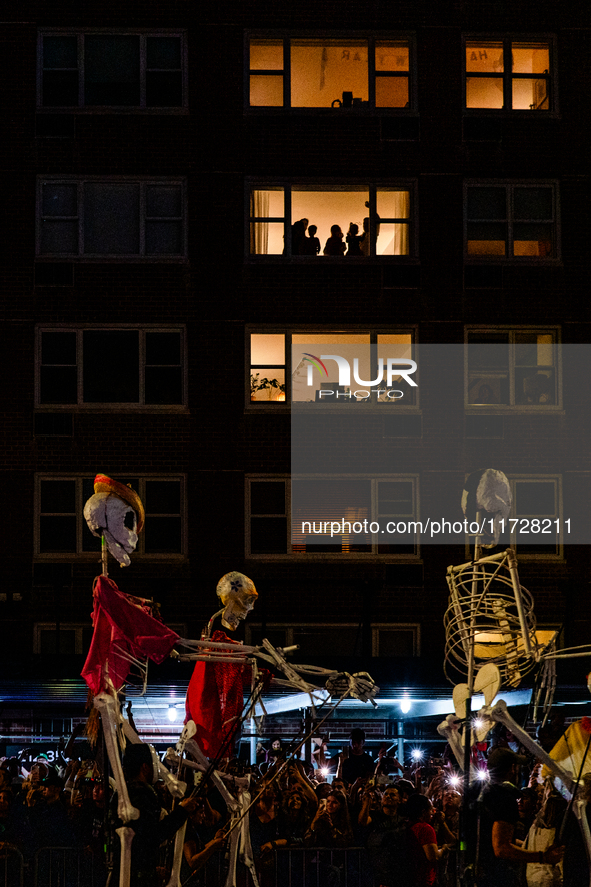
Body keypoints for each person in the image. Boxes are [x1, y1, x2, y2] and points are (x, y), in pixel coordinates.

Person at [111, 743, 197, 887]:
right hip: (137, 877)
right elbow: (153, 834)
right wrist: (182, 811)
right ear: (145, 767)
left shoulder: (119, 793)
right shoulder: (142, 794)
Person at [476, 747, 563, 887]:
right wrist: (543, 857)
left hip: (476, 872)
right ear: (512, 768)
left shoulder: (479, 791)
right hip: (494, 876)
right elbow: (501, 848)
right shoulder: (505, 798)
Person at [406, 793, 450, 887]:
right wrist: (444, 849)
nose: (433, 812)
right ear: (423, 812)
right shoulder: (425, 828)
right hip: (424, 880)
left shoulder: (407, 825)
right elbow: (433, 856)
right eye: (431, 809)